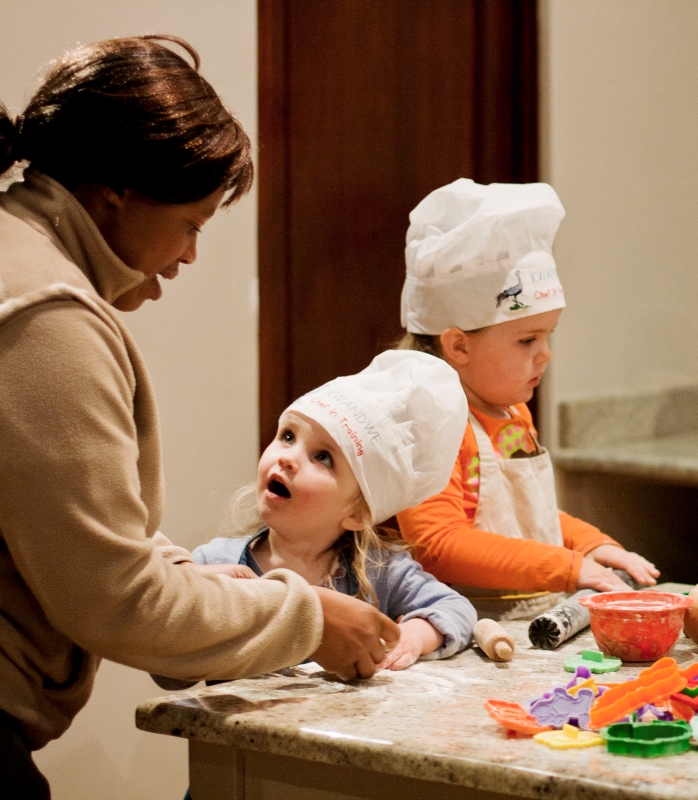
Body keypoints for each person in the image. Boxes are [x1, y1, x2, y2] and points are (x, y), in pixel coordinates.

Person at [0, 36, 399, 798]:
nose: (187, 257)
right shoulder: (44, 317)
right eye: (193, 223)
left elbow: (100, 547)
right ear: (117, 188)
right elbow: (118, 596)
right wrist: (307, 618)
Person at [393, 178, 659, 619]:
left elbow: (525, 521)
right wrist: (568, 566)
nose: (545, 355)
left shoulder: (511, 412)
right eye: (526, 340)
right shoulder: (425, 421)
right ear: (457, 346)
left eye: (548, 336)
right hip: (443, 627)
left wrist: (590, 543)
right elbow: (438, 546)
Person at [186, 350, 475, 672]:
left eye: (322, 457)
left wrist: (414, 636)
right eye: (288, 435)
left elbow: (454, 607)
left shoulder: (379, 571)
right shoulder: (214, 563)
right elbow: (169, 670)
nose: (288, 457)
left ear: (358, 514)